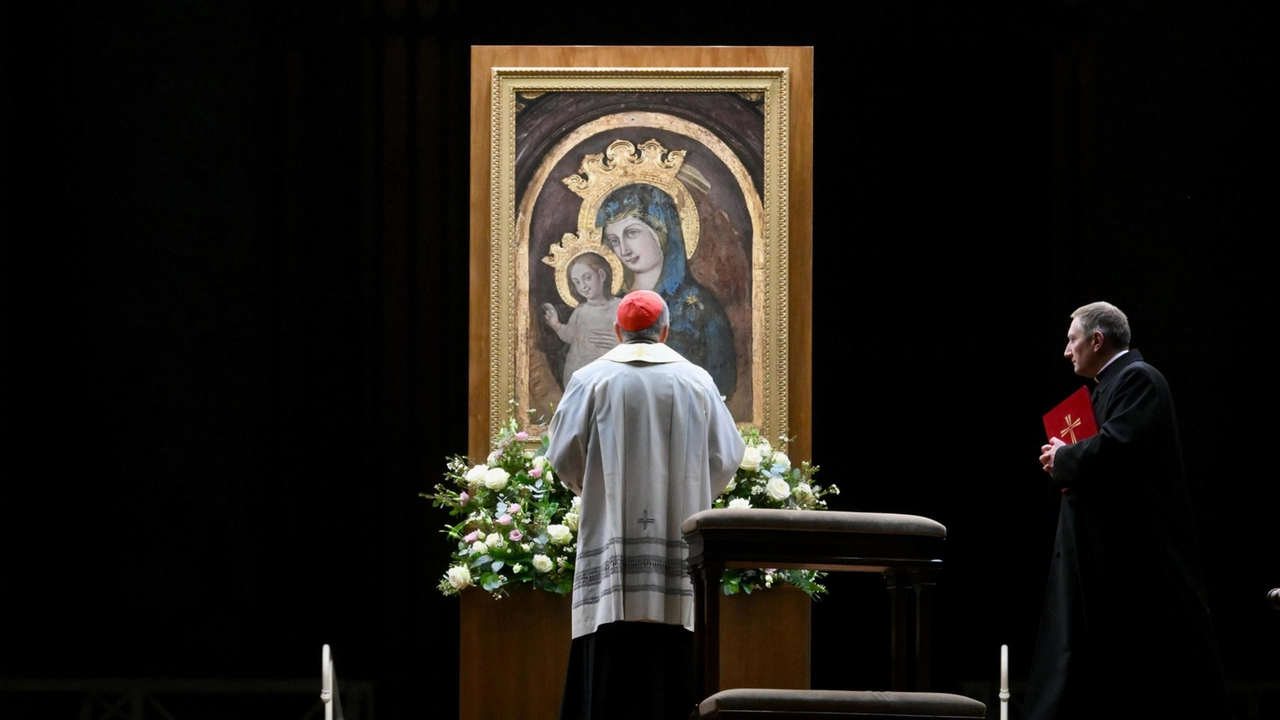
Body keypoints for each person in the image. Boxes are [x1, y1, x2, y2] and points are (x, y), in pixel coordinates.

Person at [545, 290, 745, 720]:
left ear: (618, 331)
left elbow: (562, 454)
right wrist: (692, 493)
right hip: (677, 543)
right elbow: (726, 456)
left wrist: (593, 490)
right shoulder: (695, 381)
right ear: (665, 331)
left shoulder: (590, 379)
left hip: (611, 537)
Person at [1027, 302, 1231, 719]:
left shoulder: (1139, 379)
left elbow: (1117, 449)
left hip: (1136, 565)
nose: (1067, 352)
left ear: (1097, 340)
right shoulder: (1109, 385)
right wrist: (1064, 458)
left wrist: (1065, 456)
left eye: (1072, 341)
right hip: (1102, 558)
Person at [597, 183, 737, 401]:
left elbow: (721, 387)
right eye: (614, 241)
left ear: (662, 230)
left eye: (632, 233)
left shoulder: (699, 307)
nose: (624, 250)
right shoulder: (607, 304)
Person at [542, 252, 623, 386]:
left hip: (610, 374)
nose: (583, 286)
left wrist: (622, 343)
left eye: (587, 278)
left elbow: (637, 337)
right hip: (579, 373)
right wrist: (556, 324)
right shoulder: (580, 311)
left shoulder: (620, 307)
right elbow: (569, 335)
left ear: (602, 275)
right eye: (577, 282)